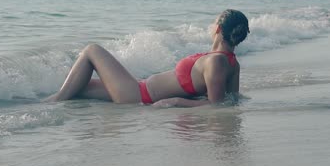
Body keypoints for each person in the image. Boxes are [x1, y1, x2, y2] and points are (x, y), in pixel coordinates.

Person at [44, 9, 250, 107]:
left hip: (138, 95)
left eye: (212, 23)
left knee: (92, 50)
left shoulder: (217, 62)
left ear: (218, 28)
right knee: (79, 88)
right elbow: (231, 99)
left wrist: (177, 101)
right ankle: (48, 101)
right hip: (139, 88)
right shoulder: (230, 62)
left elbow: (216, 105)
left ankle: (53, 103)